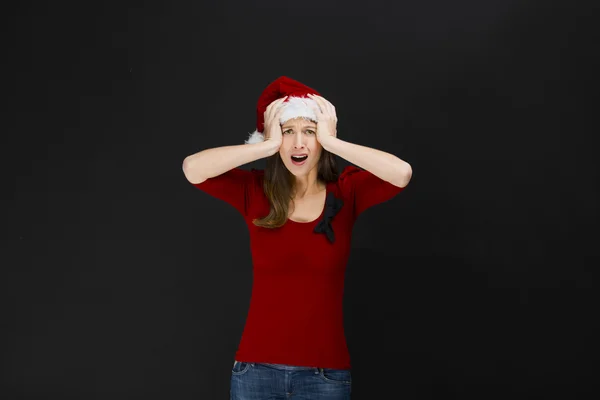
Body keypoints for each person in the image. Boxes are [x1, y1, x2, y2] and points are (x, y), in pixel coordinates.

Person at [182, 76, 412, 399]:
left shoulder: (347, 191)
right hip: (254, 374)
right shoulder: (256, 191)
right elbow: (192, 168)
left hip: (325, 377)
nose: (298, 144)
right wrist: (264, 145)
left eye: (309, 132)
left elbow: (401, 174)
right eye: (288, 132)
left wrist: (333, 143)